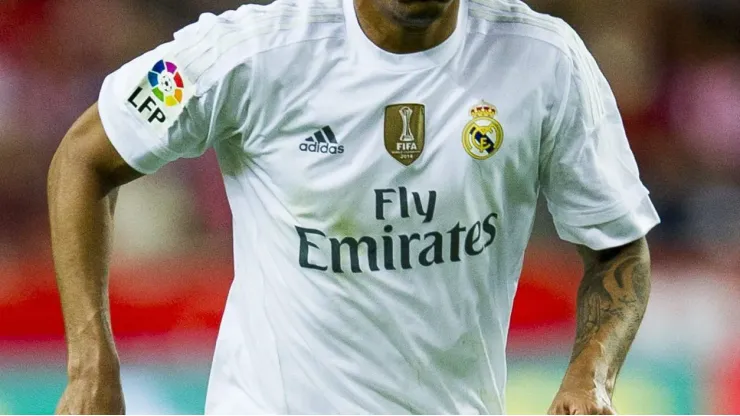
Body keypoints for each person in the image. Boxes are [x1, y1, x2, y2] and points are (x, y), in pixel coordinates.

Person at [48, 0, 660, 414]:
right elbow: (83, 158)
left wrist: (594, 372)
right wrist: (89, 360)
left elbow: (617, 244)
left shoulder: (546, 63)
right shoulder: (247, 54)